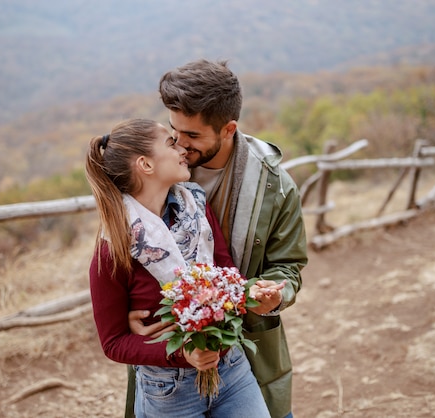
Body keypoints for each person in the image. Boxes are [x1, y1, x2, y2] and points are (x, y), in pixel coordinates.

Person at [128, 59, 309, 418]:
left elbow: (288, 268)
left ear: (228, 129)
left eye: (193, 136)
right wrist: (128, 320)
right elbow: (123, 242)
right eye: (174, 131)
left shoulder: (276, 185)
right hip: (169, 364)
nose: (179, 144)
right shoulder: (153, 168)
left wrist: (271, 295)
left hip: (248, 349)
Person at [86, 118, 271, 418]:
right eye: (171, 143)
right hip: (168, 391)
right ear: (146, 165)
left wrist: (252, 292)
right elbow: (113, 342)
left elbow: (227, 274)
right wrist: (180, 352)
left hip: (232, 370)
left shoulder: (197, 208)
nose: (182, 147)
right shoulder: (113, 249)